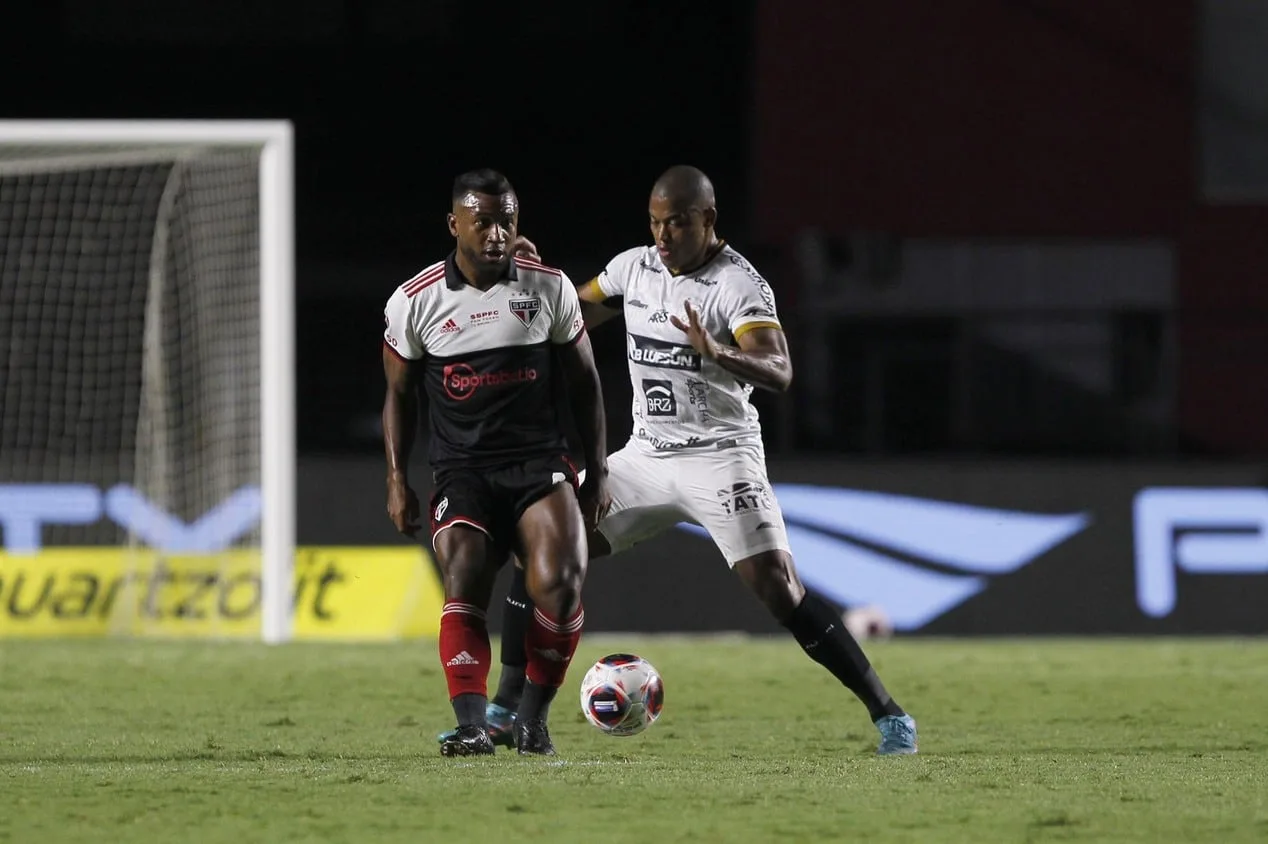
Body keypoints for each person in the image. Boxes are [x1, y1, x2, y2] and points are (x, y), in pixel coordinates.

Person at [443, 165, 918, 755]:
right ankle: (503, 709)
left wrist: (719, 351)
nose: (663, 237)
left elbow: (781, 370)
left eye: (677, 224)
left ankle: (889, 715)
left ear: (708, 221)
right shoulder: (633, 269)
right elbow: (571, 314)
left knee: (780, 589)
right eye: (655, 223)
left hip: (722, 458)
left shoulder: (737, 286)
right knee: (540, 548)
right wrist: (531, 277)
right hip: (645, 457)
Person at [382, 168, 611, 757]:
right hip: (463, 471)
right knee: (463, 573)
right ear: (454, 223)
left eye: (506, 220)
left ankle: (530, 719)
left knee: (560, 583)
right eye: (481, 221)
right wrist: (396, 479)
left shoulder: (548, 286)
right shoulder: (415, 300)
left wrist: (598, 472)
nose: (495, 233)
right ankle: (471, 723)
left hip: (539, 465)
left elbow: (586, 384)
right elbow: (399, 396)